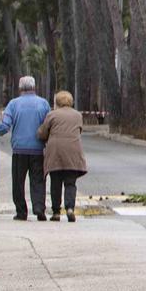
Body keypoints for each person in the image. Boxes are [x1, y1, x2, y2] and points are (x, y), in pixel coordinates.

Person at [0, 76, 51, 221]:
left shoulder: (13, 104)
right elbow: (49, 125)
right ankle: (39, 208)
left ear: (20, 88)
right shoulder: (43, 104)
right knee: (38, 180)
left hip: (19, 150)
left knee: (18, 182)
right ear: (34, 87)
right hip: (38, 149)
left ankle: (21, 211)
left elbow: (5, 126)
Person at [41, 90, 88, 222]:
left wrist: (40, 135)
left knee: (55, 183)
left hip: (55, 152)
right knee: (70, 183)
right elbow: (79, 130)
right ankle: (70, 208)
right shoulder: (78, 115)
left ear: (57, 102)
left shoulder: (52, 115)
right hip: (73, 152)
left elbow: (43, 133)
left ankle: (56, 212)